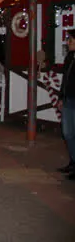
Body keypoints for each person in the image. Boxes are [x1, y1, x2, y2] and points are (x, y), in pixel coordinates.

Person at [57, 29, 75, 180]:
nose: (68, 43)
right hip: (68, 99)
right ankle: (73, 161)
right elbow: (65, 80)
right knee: (68, 132)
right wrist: (61, 97)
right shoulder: (69, 58)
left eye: (71, 40)